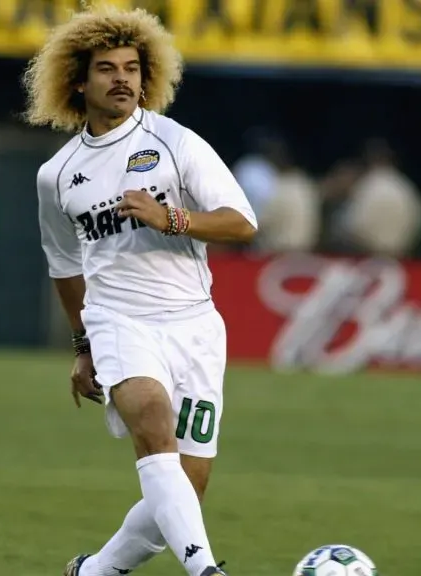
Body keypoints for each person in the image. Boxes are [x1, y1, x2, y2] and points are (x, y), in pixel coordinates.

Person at [22, 5, 258, 576]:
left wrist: (170, 219)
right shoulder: (57, 174)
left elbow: (242, 222)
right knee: (152, 425)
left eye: (131, 67)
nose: (122, 78)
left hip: (194, 325)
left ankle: (96, 571)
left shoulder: (176, 142)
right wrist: (83, 347)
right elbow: (63, 264)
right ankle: (206, 571)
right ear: (78, 81)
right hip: (118, 321)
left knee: (187, 485)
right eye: (107, 68)